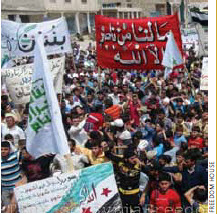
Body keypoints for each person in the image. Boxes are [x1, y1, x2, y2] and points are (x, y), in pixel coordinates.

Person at [104, 146, 143, 213]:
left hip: (134, 195)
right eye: (132, 158)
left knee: (138, 211)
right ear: (126, 159)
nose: (134, 160)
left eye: (135, 157)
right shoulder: (120, 161)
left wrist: (141, 164)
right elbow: (108, 154)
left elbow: (148, 170)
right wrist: (106, 147)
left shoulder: (139, 165)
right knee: (125, 211)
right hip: (123, 194)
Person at [1, 141, 26, 207]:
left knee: (19, 207)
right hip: (5, 190)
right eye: (1, 149)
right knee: (8, 208)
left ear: (9, 150)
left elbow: (26, 151)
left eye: (5, 149)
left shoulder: (16, 156)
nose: (3, 151)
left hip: (17, 188)